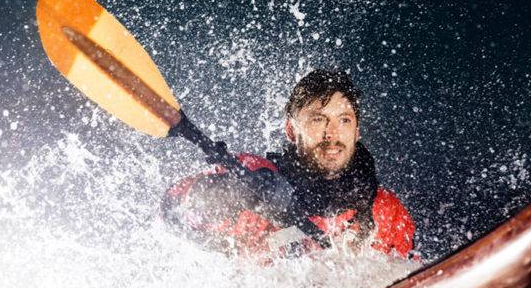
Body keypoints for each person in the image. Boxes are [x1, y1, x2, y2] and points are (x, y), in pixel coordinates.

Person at [161, 69, 415, 260]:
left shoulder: (386, 211)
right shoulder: (251, 173)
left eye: (344, 120)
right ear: (291, 131)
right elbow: (172, 209)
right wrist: (223, 193)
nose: (332, 134)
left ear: (357, 132)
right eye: (318, 120)